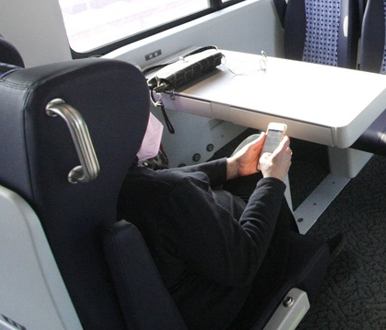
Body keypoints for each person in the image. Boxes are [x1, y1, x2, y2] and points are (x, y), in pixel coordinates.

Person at [118, 114, 338, 330]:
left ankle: (290, 243)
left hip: (197, 269)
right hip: (230, 297)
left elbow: (163, 181)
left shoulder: (107, 182)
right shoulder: (171, 196)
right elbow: (245, 261)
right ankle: (299, 261)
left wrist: (232, 166)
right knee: (268, 188)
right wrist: (273, 180)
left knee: (254, 158)